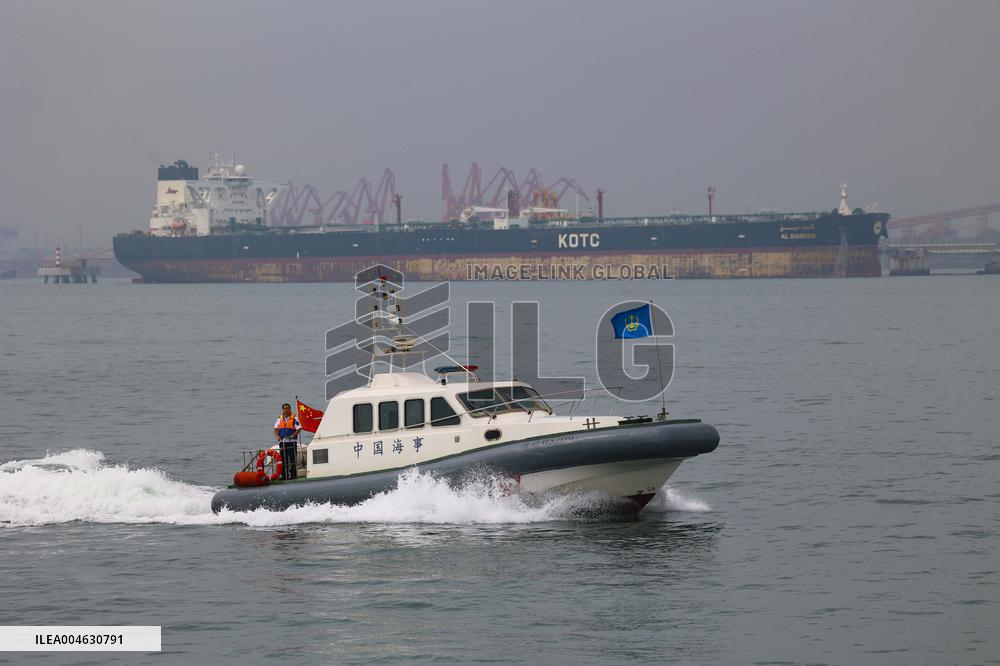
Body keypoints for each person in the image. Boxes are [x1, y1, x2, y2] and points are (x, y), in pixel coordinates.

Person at [273, 403, 301, 480]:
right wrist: (277, 437)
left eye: (288, 408)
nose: (286, 410)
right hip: (283, 442)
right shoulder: (279, 419)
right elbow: (275, 429)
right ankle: (284, 475)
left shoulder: (294, 418)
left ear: (290, 409)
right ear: (282, 410)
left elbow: (299, 428)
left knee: (292, 459)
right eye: (285, 409)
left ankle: (293, 475)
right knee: (283, 459)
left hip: (291, 442)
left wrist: (293, 435)